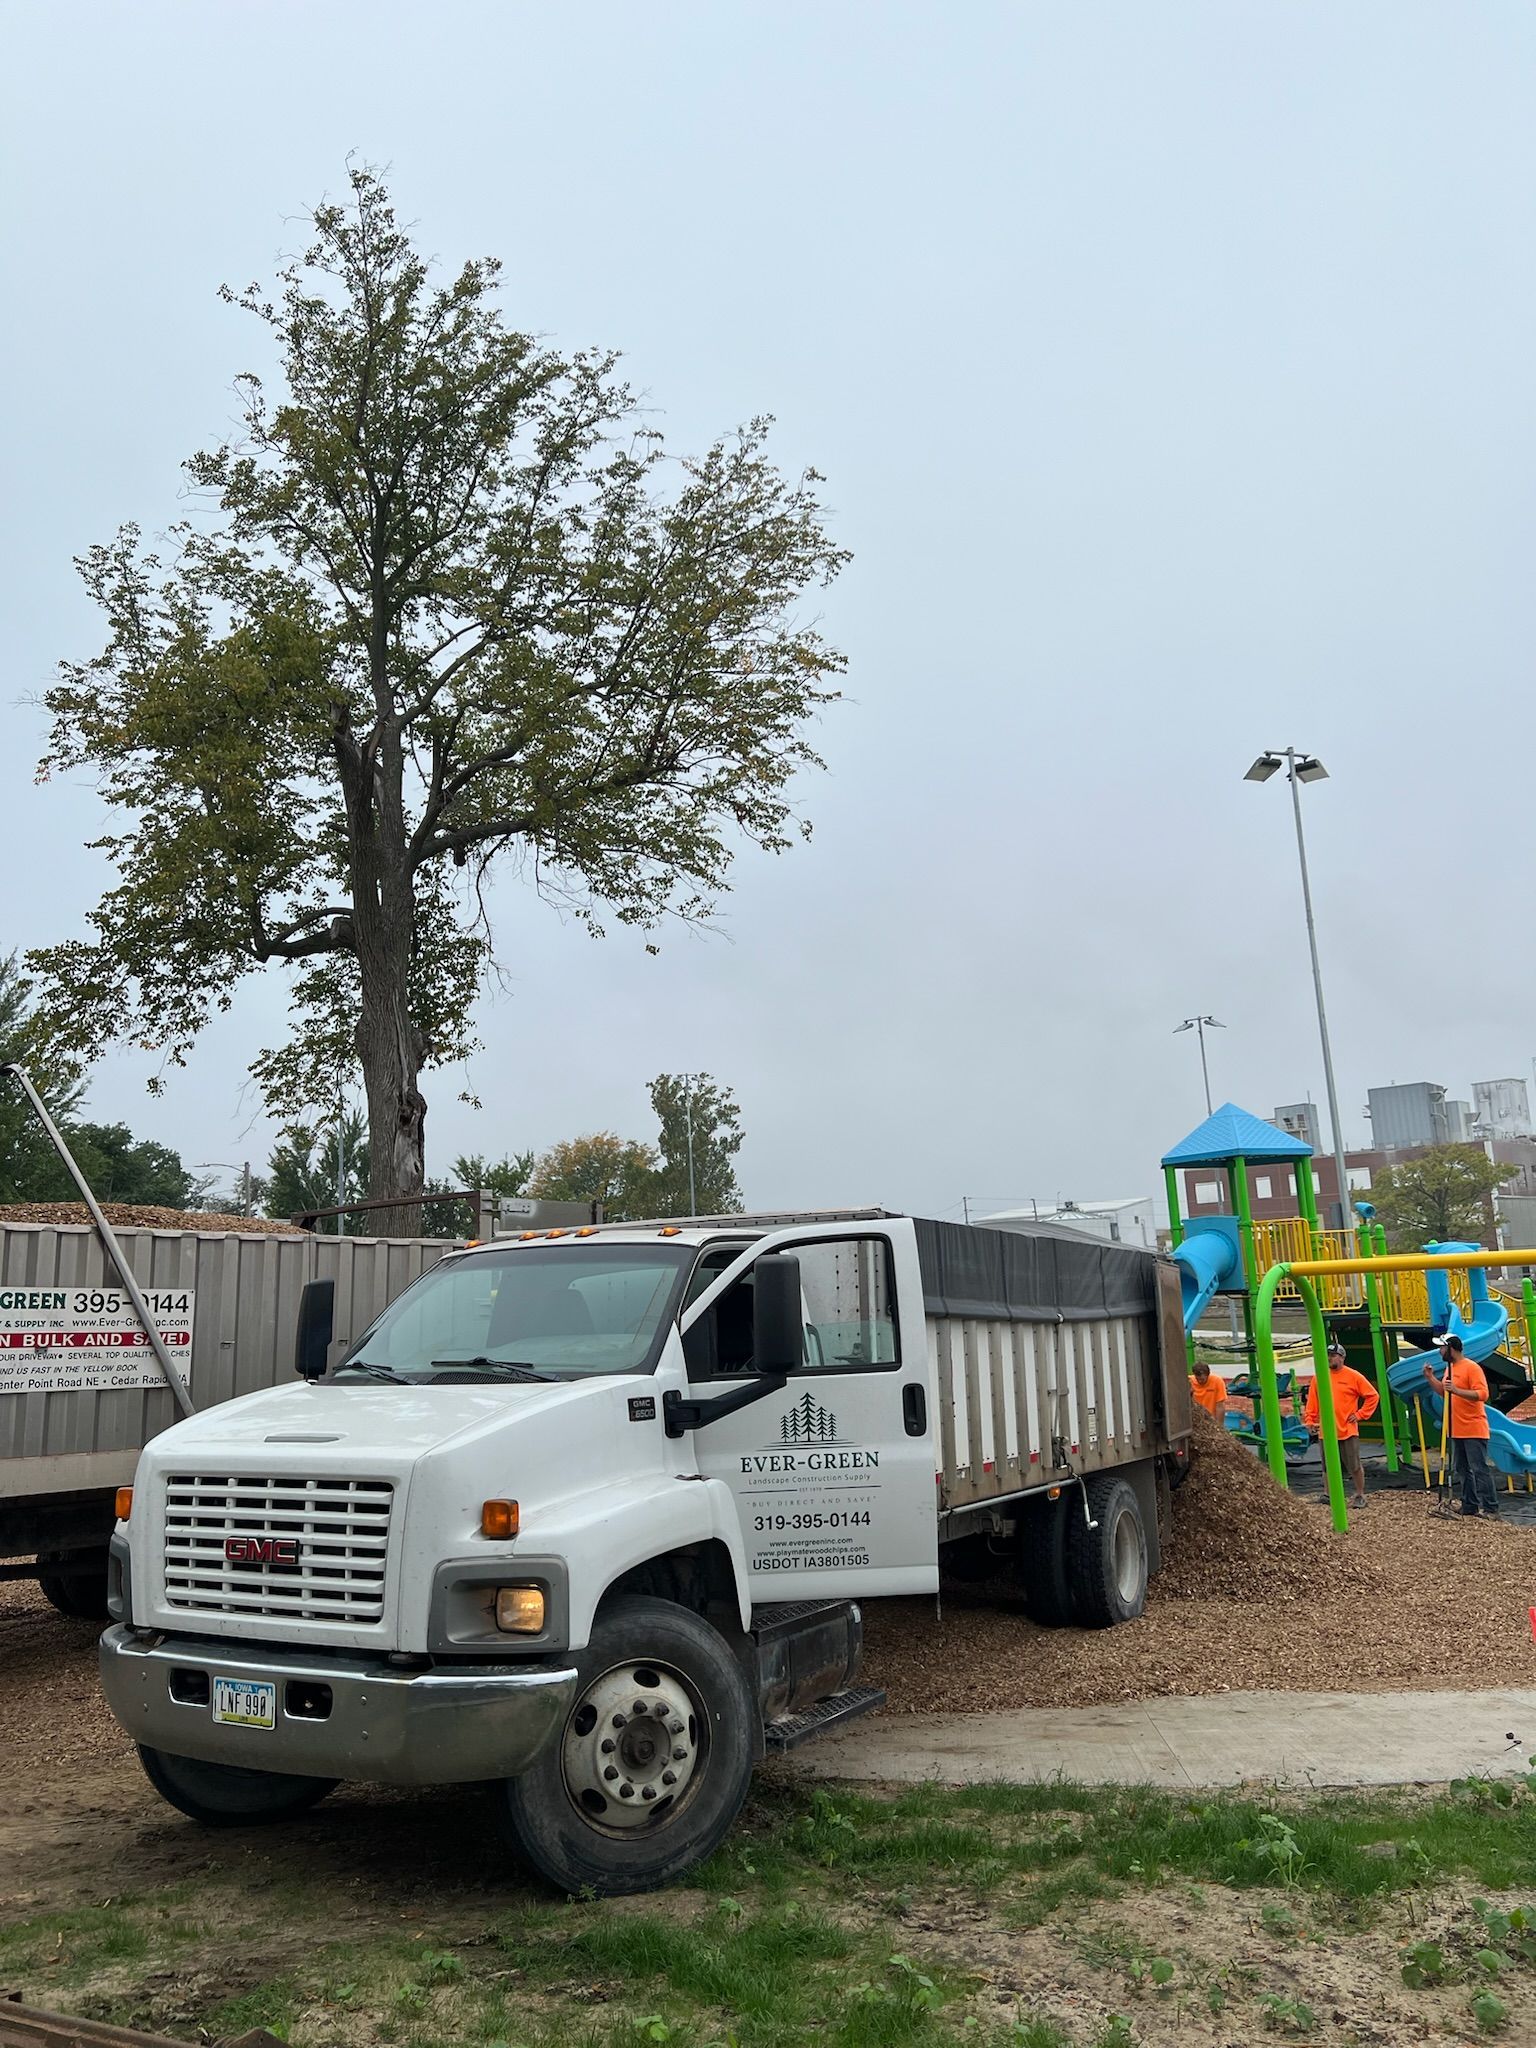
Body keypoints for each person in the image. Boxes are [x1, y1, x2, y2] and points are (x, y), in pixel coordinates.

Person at [1423, 1334, 1498, 1517]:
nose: (1439, 1351)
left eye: (1442, 1348)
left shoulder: (1471, 1368)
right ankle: (1470, 1505)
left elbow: (1482, 1394)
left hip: (1473, 1427)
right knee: (1462, 1468)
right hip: (1456, 1428)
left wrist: (1457, 1390)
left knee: (1479, 1468)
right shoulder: (1450, 1368)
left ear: (1451, 1349)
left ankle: (1491, 1508)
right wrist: (1430, 1378)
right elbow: (1444, 1392)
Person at [1302, 1337, 1379, 1509]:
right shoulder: (1319, 1377)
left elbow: (1372, 1396)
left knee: (1354, 1465)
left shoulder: (1353, 1376)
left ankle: (1360, 1494)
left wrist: (1360, 1415)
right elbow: (1312, 1402)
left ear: (1342, 1357)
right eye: (1327, 1355)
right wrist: (1310, 1420)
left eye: (1333, 1355)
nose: (1329, 1358)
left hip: (1347, 1430)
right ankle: (1328, 1494)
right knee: (1327, 1466)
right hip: (1326, 1431)